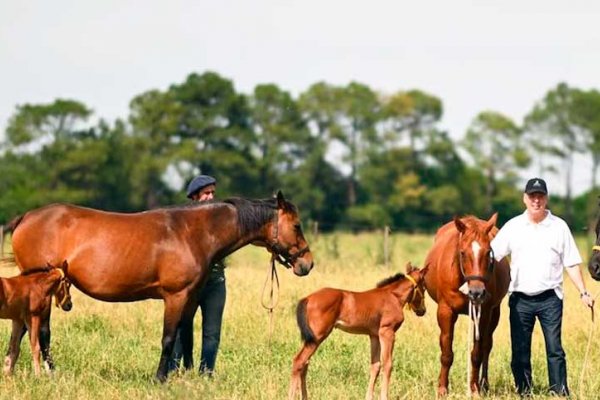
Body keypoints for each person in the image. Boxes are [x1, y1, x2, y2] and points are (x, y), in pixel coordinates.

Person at [491, 177, 594, 397]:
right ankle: (524, 391)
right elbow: (491, 256)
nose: (536, 201)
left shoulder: (559, 227)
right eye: (532, 196)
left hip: (550, 299)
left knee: (555, 350)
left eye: (540, 196)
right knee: (519, 351)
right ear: (524, 199)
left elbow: (571, 263)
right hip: (520, 299)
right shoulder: (513, 226)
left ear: (546, 198)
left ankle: (559, 391)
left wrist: (583, 292)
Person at [169, 174, 226, 376]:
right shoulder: (182, 223)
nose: (211, 197)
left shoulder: (222, 221)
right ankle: (173, 371)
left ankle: (206, 373)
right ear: (194, 197)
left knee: (212, 332)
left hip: (215, 283)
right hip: (190, 284)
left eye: (212, 193)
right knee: (179, 328)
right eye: (206, 194)